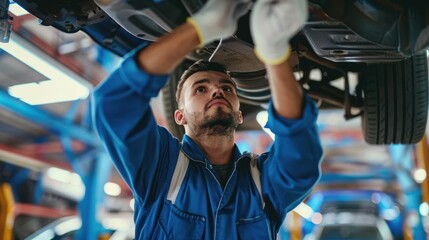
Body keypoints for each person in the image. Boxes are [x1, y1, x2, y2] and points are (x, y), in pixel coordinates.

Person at [92, 0, 323, 239]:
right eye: (200, 89)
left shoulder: (262, 180)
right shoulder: (161, 168)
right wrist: (201, 28)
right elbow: (113, 104)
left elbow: (300, 162)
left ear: (239, 114)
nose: (217, 91)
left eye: (227, 88)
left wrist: (274, 52)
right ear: (179, 115)